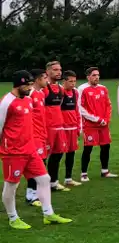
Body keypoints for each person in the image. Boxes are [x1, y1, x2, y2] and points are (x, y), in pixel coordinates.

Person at [3, 71, 72, 229]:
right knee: (11, 185)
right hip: (13, 152)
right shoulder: (7, 102)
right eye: (27, 85)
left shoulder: (28, 100)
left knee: (44, 179)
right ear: (18, 85)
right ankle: (13, 218)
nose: (29, 87)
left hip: (30, 149)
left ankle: (48, 214)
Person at [79, 67, 117, 180]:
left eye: (98, 75)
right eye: (94, 75)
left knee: (106, 146)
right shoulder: (82, 89)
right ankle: (84, 173)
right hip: (90, 125)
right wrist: (96, 119)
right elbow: (80, 108)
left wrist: (106, 119)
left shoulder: (103, 88)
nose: (96, 77)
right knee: (88, 148)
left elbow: (108, 105)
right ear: (88, 77)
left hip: (103, 124)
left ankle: (105, 171)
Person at [42, 60, 71, 192]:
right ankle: (40, 185)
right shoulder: (43, 89)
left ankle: (53, 182)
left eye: (59, 69)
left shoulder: (60, 89)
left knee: (58, 155)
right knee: (43, 157)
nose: (58, 72)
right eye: (55, 70)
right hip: (47, 128)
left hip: (59, 127)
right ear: (47, 72)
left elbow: (58, 107)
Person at [25, 69, 49, 206]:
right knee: (36, 164)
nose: (47, 80)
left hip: (41, 134)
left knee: (41, 163)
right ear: (38, 80)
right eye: (45, 78)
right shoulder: (31, 93)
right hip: (34, 135)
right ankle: (31, 195)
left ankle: (36, 192)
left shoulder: (41, 94)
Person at [57, 70, 82, 187]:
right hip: (63, 128)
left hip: (73, 128)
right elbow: (56, 110)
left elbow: (77, 110)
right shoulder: (60, 92)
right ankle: (54, 180)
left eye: (74, 81)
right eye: (70, 81)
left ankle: (68, 178)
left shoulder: (75, 92)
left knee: (71, 153)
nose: (73, 84)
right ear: (64, 81)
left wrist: (78, 127)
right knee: (59, 154)